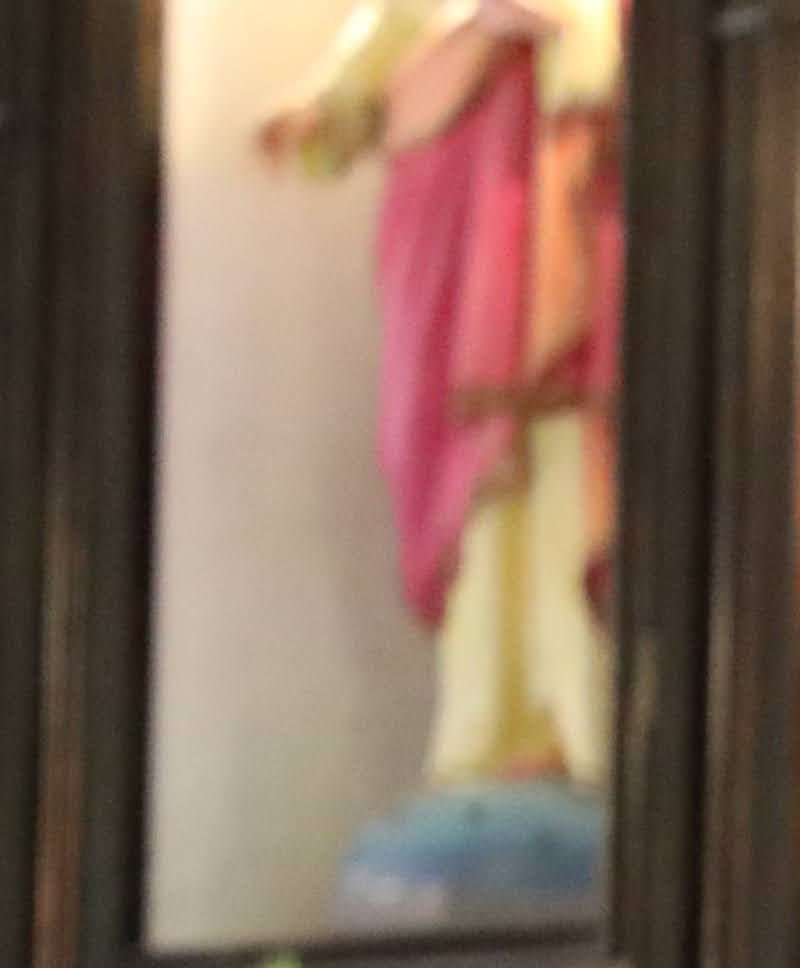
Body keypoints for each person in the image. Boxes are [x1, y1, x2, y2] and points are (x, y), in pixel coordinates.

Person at [260, 0, 624, 803]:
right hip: (452, 260)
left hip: (557, 239)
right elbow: (381, 45)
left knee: (561, 483)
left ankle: (578, 721)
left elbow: (629, 62)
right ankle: (484, 733)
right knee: (471, 498)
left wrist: (570, 32)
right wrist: (321, 111)